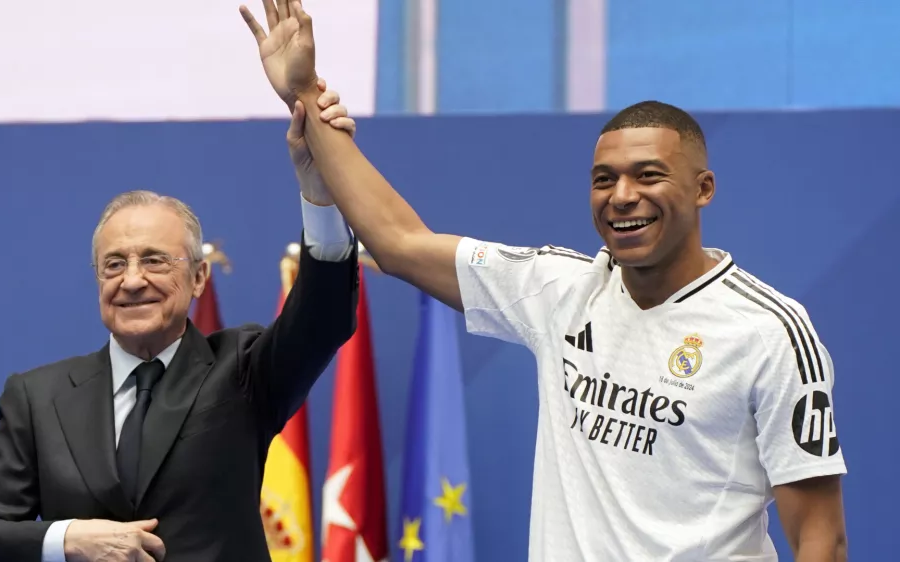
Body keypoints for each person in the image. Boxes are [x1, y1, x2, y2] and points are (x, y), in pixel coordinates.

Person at [239, 1, 849, 559]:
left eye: (648, 175)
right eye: (604, 179)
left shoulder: (770, 331)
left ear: (703, 189)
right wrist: (304, 97)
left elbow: (819, 532)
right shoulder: (561, 288)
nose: (623, 196)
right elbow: (401, 244)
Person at [0, 82, 361, 562]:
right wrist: (67, 539)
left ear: (199, 277)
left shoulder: (244, 371)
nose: (132, 280)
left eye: (155, 261)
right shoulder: (39, 398)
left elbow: (323, 317)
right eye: (114, 265)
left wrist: (319, 191)